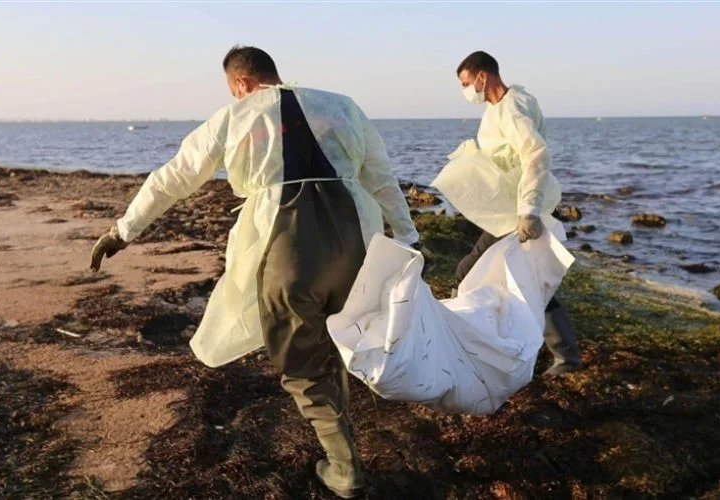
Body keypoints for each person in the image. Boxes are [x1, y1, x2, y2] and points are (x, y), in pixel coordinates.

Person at [89, 45, 424, 498]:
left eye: (233, 91)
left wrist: (123, 230)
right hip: (355, 242)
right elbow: (381, 176)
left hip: (288, 246)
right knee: (338, 340)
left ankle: (344, 469)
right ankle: (344, 438)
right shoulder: (341, 106)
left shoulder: (235, 116)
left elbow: (173, 177)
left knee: (302, 361)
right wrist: (408, 236)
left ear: (241, 83)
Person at [454, 50, 582, 376]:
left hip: (520, 212)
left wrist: (529, 210)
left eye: (466, 84)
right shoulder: (498, 107)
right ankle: (551, 353)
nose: (466, 91)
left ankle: (471, 342)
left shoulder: (512, 109)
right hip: (507, 209)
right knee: (526, 280)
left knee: (471, 272)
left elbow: (535, 155)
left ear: (482, 76)